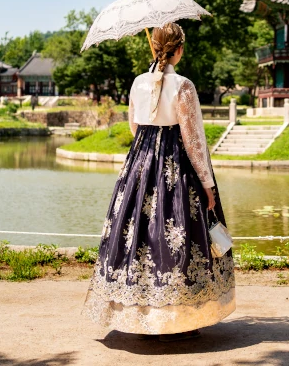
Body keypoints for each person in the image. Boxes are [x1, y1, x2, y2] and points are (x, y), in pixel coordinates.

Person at [83, 22, 235, 341]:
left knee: (139, 237)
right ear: (179, 49)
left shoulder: (138, 83)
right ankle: (177, 319)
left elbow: (134, 127)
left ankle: (143, 316)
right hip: (175, 165)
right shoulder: (183, 86)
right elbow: (193, 139)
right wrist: (206, 183)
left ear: (153, 47)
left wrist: (148, 150)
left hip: (140, 163)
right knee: (178, 236)